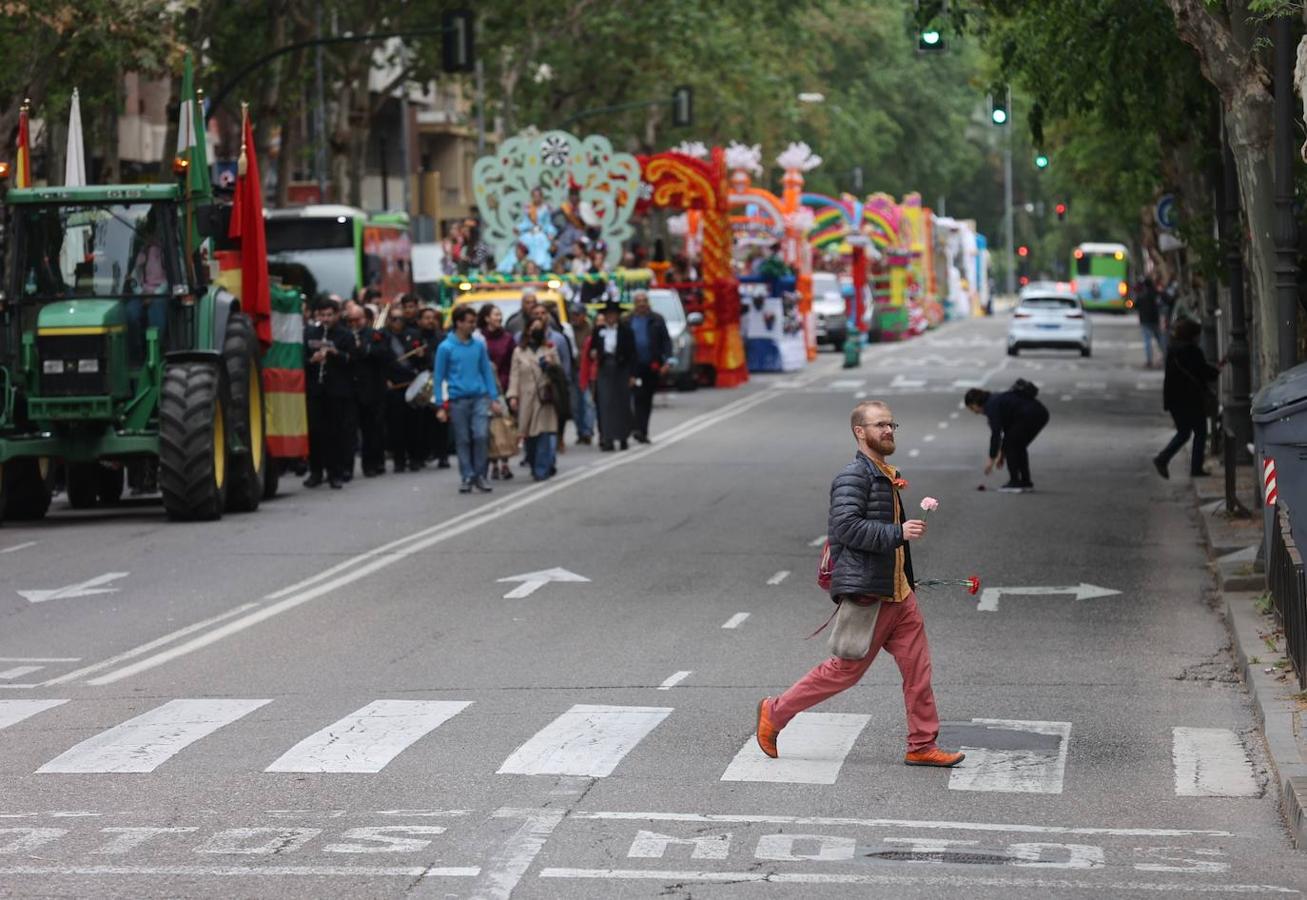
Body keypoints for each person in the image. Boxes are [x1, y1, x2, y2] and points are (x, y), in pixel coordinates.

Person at [755, 400, 965, 769]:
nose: (888, 430)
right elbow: (845, 530)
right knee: (844, 671)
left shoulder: (883, 473)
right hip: (872, 594)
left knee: (919, 672)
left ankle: (922, 743)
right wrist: (897, 531)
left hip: (899, 592)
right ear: (859, 432)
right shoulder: (854, 476)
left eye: (891, 425)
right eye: (879, 425)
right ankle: (775, 711)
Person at [435, 305, 503, 493]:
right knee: (463, 439)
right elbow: (439, 377)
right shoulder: (445, 347)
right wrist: (440, 404)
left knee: (481, 435)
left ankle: (480, 475)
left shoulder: (479, 346)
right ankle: (467, 475)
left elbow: (486, 372)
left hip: (479, 397)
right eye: (470, 322)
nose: (474, 326)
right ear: (459, 323)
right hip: (458, 400)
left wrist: (493, 398)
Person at [304, 297, 359, 489]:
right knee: (316, 433)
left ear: (336, 315)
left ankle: (335, 473)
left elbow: (354, 361)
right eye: (322, 315)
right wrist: (313, 360)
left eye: (329, 315)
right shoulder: (310, 333)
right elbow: (302, 360)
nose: (326, 319)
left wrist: (336, 353)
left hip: (338, 392)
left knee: (336, 433)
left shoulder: (345, 336)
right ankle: (316, 472)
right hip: (316, 391)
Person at [1154, 318, 1220, 479]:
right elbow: (1202, 371)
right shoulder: (1192, 351)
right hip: (1191, 399)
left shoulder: (1173, 350)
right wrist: (1216, 371)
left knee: (1184, 433)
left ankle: (1164, 459)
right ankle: (1193, 468)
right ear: (1192, 335)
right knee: (1200, 432)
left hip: (1175, 400)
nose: (1199, 338)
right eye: (1198, 335)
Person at [964, 384, 1050, 493]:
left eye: (972, 408)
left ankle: (1014, 482)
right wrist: (1002, 454)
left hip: (1030, 415)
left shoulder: (991, 406)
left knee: (1013, 445)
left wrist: (992, 459)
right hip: (1039, 413)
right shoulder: (995, 400)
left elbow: (996, 435)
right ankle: (1025, 482)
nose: (975, 413)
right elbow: (1008, 431)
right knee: (1018, 445)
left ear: (975, 403)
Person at [508, 319, 562, 482]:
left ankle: (542, 469)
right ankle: (533, 462)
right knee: (529, 435)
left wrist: (552, 365)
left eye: (540, 327)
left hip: (544, 397)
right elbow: (514, 375)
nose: (537, 330)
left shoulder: (550, 349)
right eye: (534, 327)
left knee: (544, 433)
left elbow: (560, 374)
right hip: (526, 397)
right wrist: (513, 396)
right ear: (527, 330)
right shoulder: (518, 351)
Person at [347, 305, 388, 478]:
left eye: (358, 319)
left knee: (373, 429)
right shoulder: (345, 335)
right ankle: (347, 468)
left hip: (372, 389)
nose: (355, 323)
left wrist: (364, 348)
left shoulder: (374, 334)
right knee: (350, 431)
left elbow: (384, 353)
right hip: (351, 389)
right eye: (351, 320)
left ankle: (372, 463)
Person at [382, 311, 425, 473]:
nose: (397, 322)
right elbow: (379, 360)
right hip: (394, 385)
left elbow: (423, 359)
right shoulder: (384, 337)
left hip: (412, 383)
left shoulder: (413, 335)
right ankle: (399, 460)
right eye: (394, 319)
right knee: (396, 426)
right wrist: (384, 379)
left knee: (414, 424)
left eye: (400, 319)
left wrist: (421, 356)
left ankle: (415, 458)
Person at [627, 290, 673, 444]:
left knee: (646, 398)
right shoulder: (628, 320)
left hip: (652, 365)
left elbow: (666, 342)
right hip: (634, 366)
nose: (641, 304)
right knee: (636, 397)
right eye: (638, 301)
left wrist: (667, 361)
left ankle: (642, 430)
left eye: (644, 301)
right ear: (634, 304)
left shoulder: (657, 320)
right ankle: (636, 427)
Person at [478, 303, 517, 480]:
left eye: (500, 315)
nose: (499, 318)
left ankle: (506, 463)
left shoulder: (508, 339)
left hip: (503, 386)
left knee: (504, 424)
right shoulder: (478, 339)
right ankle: (493, 462)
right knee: (489, 427)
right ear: (486, 318)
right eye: (495, 315)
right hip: (483, 388)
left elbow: (513, 363)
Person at [591, 300, 635, 451]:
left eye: (613, 315)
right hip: (605, 368)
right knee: (605, 403)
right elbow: (593, 348)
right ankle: (607, 437)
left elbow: (632, 354)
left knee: (622, 403)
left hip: (621, 368)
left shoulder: (625, 331)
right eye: (608, 315)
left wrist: (632, 375)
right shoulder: (598, 331)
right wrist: (595, 353)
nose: (610, 317)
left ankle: (622, 436)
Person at [416, 307, 449, 468]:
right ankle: (423, 453)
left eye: (432, 317)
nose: (430, 321)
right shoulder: (416, 337)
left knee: (440, 418)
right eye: (426, 318)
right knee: (423, 420)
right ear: (420, 321)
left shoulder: (441, 338)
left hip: (439, 379)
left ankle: (443, 455)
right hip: (422, 380)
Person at [568, 303, 595, 445]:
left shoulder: (591, 329)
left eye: (577, 314)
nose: (574, 317)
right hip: (573, 369)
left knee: (587, 402)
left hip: (586, 370)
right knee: (575, 404)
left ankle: (588, 431)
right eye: (572, 314)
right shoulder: (568, 330)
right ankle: (580, 431)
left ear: (584, 315)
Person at [1136, 277, 1166, 368]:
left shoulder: (1142, 295)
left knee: (1147, 340)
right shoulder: (1156, 293)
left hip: (1145, 320)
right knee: (1160, 340)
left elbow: (1135, 305)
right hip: (1154, 320)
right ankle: (1166, 357)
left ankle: (1149, 361)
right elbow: (1164, 301)